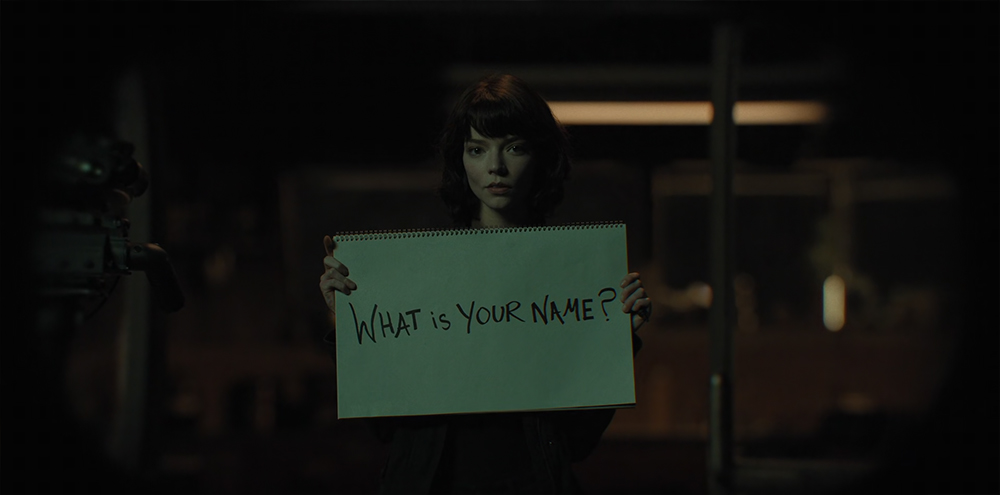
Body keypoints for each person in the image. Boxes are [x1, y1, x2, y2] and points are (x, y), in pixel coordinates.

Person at [319, 73, 652, 494]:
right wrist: (348, 322)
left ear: (541, 156)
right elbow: (384, 425)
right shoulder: (419, 277)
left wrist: (617, 340)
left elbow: (577, 443)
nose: (496, 166)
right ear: (460, 159)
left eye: (514, 147)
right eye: (477, 149)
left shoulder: (574, 279)